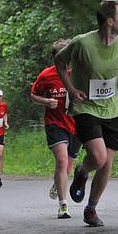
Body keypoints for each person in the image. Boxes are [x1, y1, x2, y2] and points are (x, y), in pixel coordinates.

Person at [54, 0, 118, 227]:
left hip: (113, 108)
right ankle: (82, 171)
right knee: (99, 157)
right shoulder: (82, 43)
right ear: (110, 21)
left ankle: (91, 209)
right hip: (86, 107)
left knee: (106, 164)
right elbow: (59, 61)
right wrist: (71, 89)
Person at [31, 39, 81, 219]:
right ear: (56, 58)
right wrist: (46, 101)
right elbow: (33, 95)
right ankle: (63, 205)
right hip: (55, 123)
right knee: (61, 161)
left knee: (67, 167)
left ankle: (58, 183)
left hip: (77, 124)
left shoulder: (79, 73)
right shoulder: (46, 75)